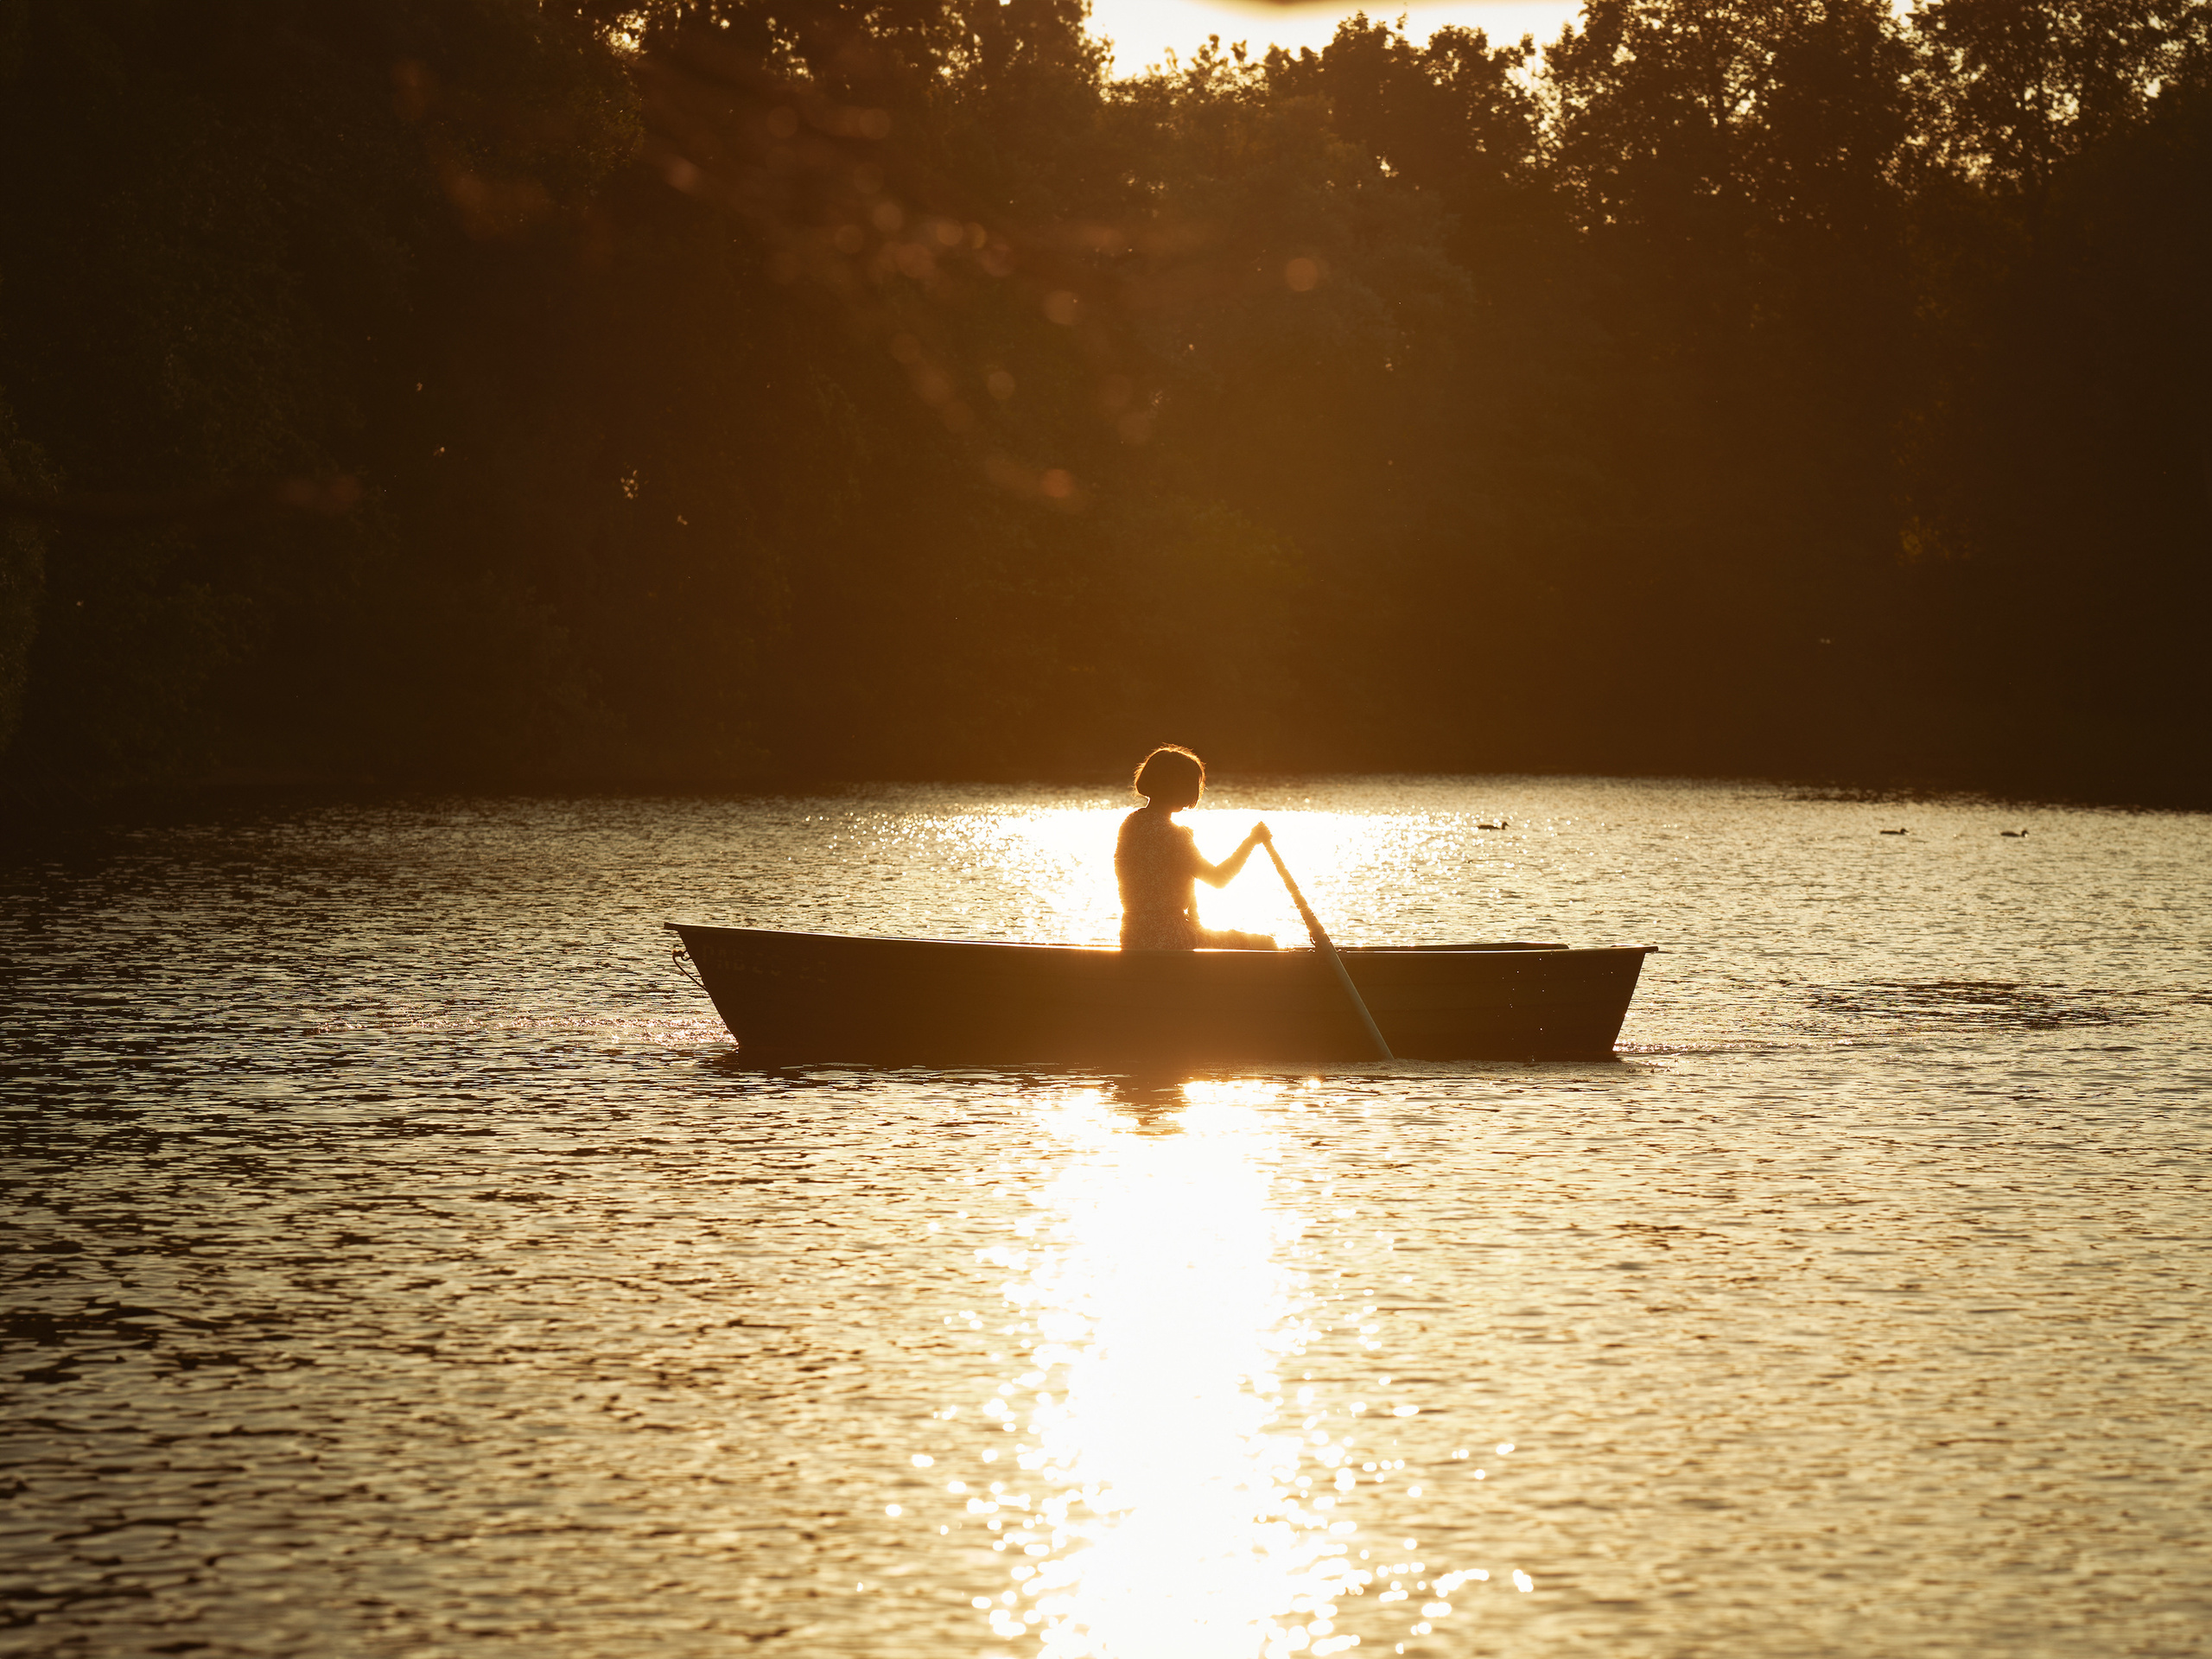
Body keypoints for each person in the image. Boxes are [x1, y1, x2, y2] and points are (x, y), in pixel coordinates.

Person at [1116, 745, 1278, 950]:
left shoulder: (1130, 824)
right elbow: (1218, 879)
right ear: (1181, 789)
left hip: (1132, 935)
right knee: (1267, 943)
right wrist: (1252, 841)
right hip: (1170, 938)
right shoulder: (1175, 835)